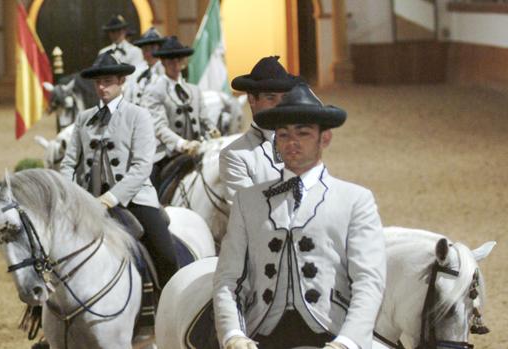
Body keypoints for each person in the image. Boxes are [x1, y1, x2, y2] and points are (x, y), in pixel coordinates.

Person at [213, 83, 386, 349]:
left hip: (331, 332)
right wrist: (233, 334)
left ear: (324, 138)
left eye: (303, 133)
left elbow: (368, 280)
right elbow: (229, 279)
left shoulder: (355, 200)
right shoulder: (247, 201)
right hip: (261, 333)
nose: (292, 143)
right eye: (283, 135)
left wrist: (348, 342)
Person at [59, 52, 178, 288]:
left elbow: (142, 166)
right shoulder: (84, 119)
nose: (102, 87)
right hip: (89, 200)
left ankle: (168, 304)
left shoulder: (138, 115)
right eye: (98, 82)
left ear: (121, 82)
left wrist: (111, 198)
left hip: (133, 199)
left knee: (166, 257)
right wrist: (69, 193)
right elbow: (69, 163)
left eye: (108, 81)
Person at [219, 56, 300, 201]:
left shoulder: (302, 143)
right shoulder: (235, 156)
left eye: (284, 98)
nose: (279, 106)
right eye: (271, 98)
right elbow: (249, 211)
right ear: (251, 100)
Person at [141, 36, 220, 180]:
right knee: (149, 190)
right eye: (171, 61)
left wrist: (212, 130)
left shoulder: (194, 90)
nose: (176, 66)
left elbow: (204, 119)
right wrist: (182, 144)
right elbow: (159, 127)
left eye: (179, 61)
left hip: (197, 150)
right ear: (163, 63)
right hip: (167, 154)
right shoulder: (154, 91)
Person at [124, 27, 166, 105]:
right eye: (145, 49)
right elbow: (128, 96)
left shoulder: (165, 70)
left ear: (160, 49)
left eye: (153, 48)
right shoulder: (136, 71)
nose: (148, 53)